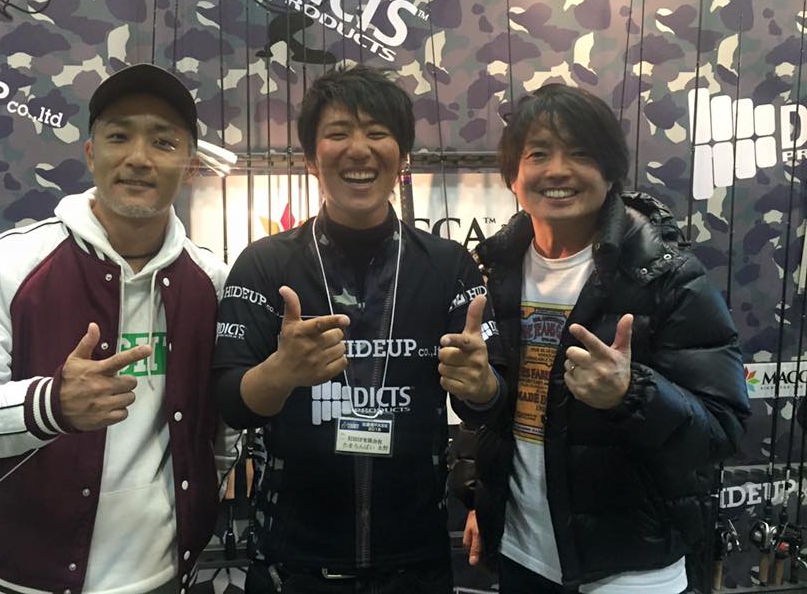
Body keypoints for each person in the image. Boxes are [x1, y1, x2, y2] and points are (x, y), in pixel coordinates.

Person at [0, 64, 239, 594]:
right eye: (119, 136)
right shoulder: (9, 263)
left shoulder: (213, 282)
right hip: (22, 579)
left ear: (190, 166)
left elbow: (220, 429)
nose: (139, 157)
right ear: (91, 154)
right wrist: (50, 405)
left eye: (163, 142)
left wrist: (201, 499)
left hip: (168, 574)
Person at [212, 64, 503, 594]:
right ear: (310, 157)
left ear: (402, 155)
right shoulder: (265, 265)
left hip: (416, 564)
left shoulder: (448, 266)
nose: (359, 149)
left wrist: (482, 386)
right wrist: (281, 373)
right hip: (292, 566)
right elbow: (231, 402)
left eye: (377, 132)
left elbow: (489, 402)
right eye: (338, 133)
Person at [451, 82, 750, 593]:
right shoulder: (496, 268)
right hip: (521, 552)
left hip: (630, 569)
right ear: (513, 175)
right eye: (538, 154)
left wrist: (629, 395)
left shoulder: (667, 275)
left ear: (610, 172)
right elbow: (507, 415)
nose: (558, 170)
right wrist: (483, 492)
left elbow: (722, 430)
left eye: (581, 153)